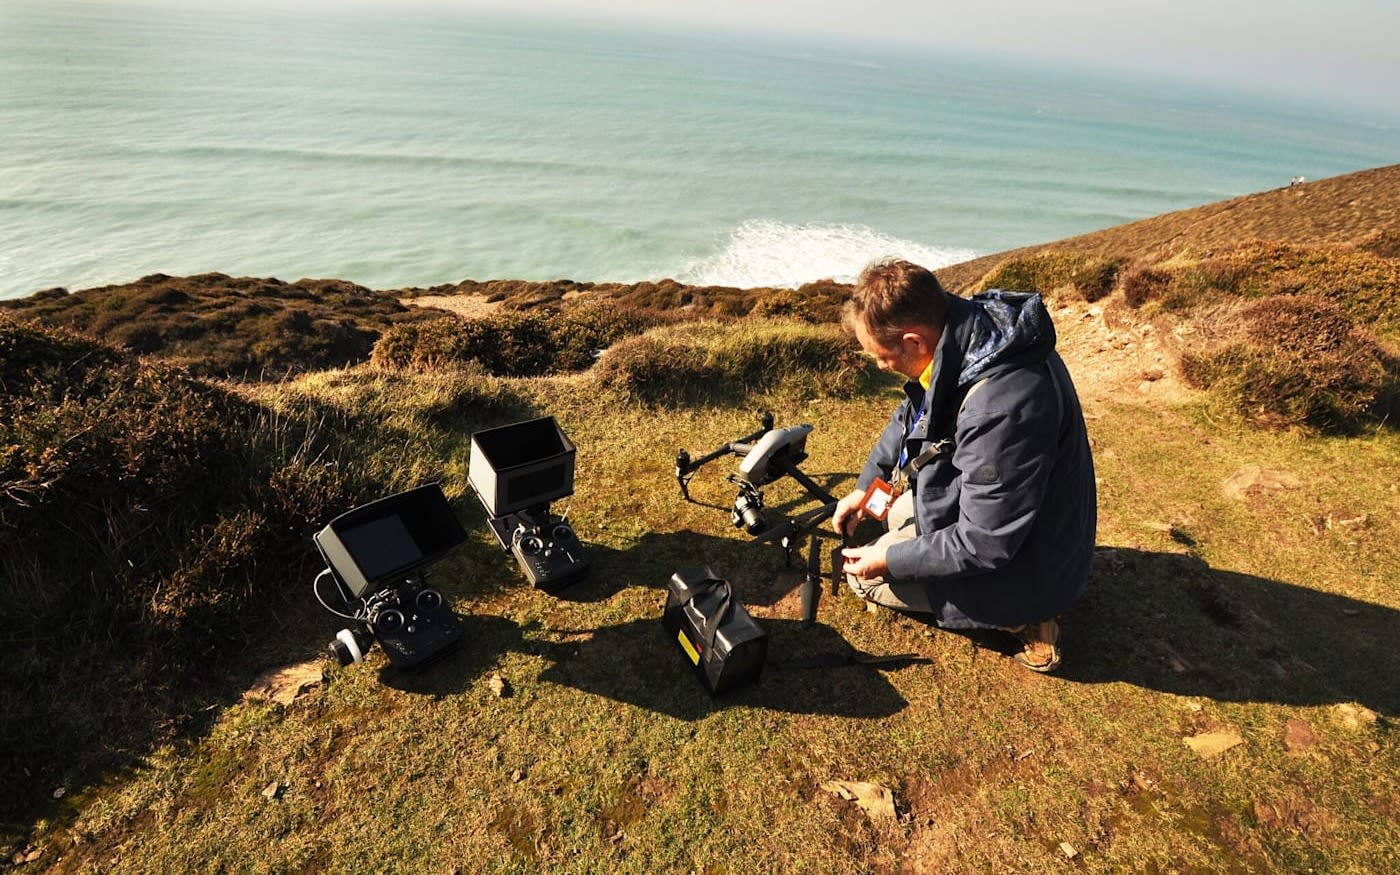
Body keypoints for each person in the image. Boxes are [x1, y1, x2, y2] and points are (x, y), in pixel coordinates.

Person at [832, 259, 1096, 672]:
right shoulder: (971, 333)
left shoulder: (1000, 408)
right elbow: (912, 414)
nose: (880, 366)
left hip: (1031, 561)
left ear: (914, 341)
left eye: (882, 356)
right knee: (897, 516)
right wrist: (867, 489)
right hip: (1012, 515)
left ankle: (1025, 618)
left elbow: (984, 543)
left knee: (863, 576)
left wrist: (887, 562)